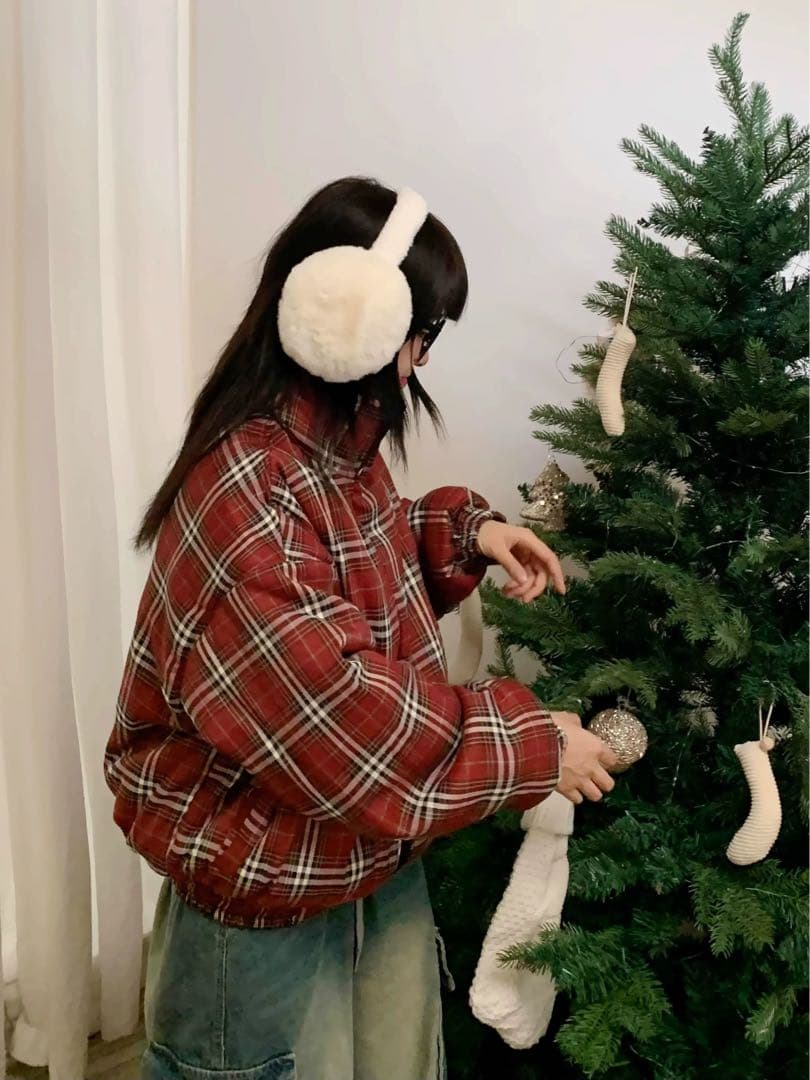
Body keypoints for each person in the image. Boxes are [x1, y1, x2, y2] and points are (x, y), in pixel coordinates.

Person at [104, 177, 617, 1080]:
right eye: (425, 330)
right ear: (357, 318)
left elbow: (344, 578)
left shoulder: (331, 451)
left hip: (360, 858)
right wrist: (536, 746)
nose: (422, 356)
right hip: (262, 888)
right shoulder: (248, 490)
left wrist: (463, 533)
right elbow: (345, 720)